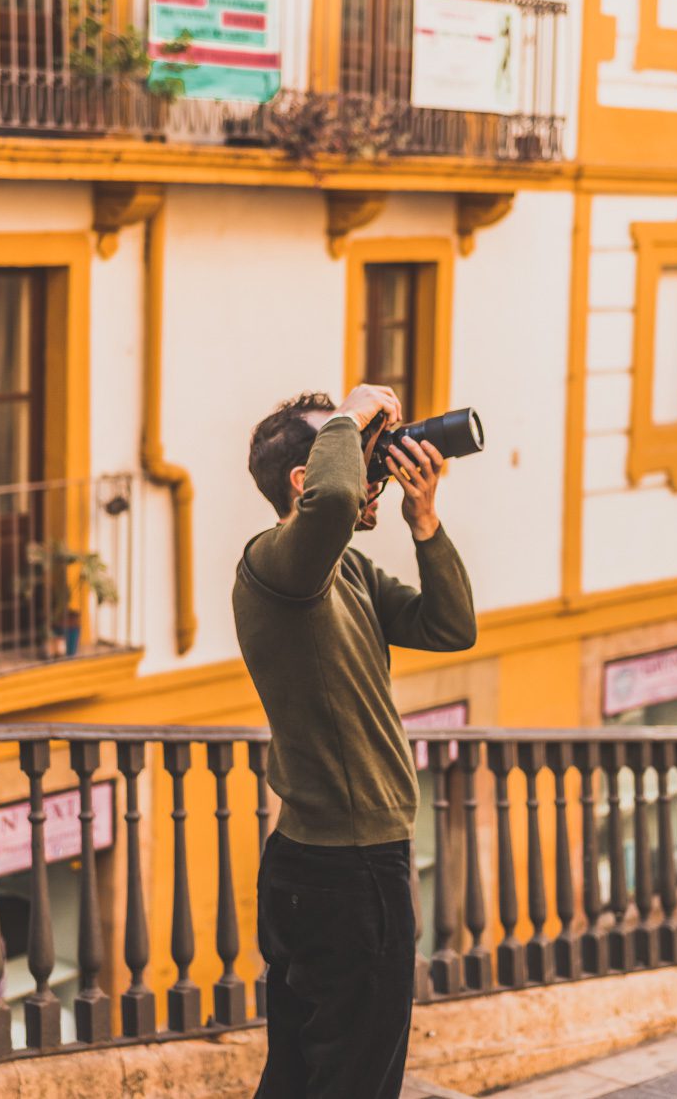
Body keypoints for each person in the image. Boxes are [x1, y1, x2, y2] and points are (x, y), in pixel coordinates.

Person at [233, 384, 477, 1099]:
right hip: (349, 872)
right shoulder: (276, 566)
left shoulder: (347, 570)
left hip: (323, 866)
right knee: (355, 1082)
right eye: (364, 456)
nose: (372, 473)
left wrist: (424, 518)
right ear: (304, 482)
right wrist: (354, 409)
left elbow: (448, 625)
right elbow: (336, 500)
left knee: (302, 1076)